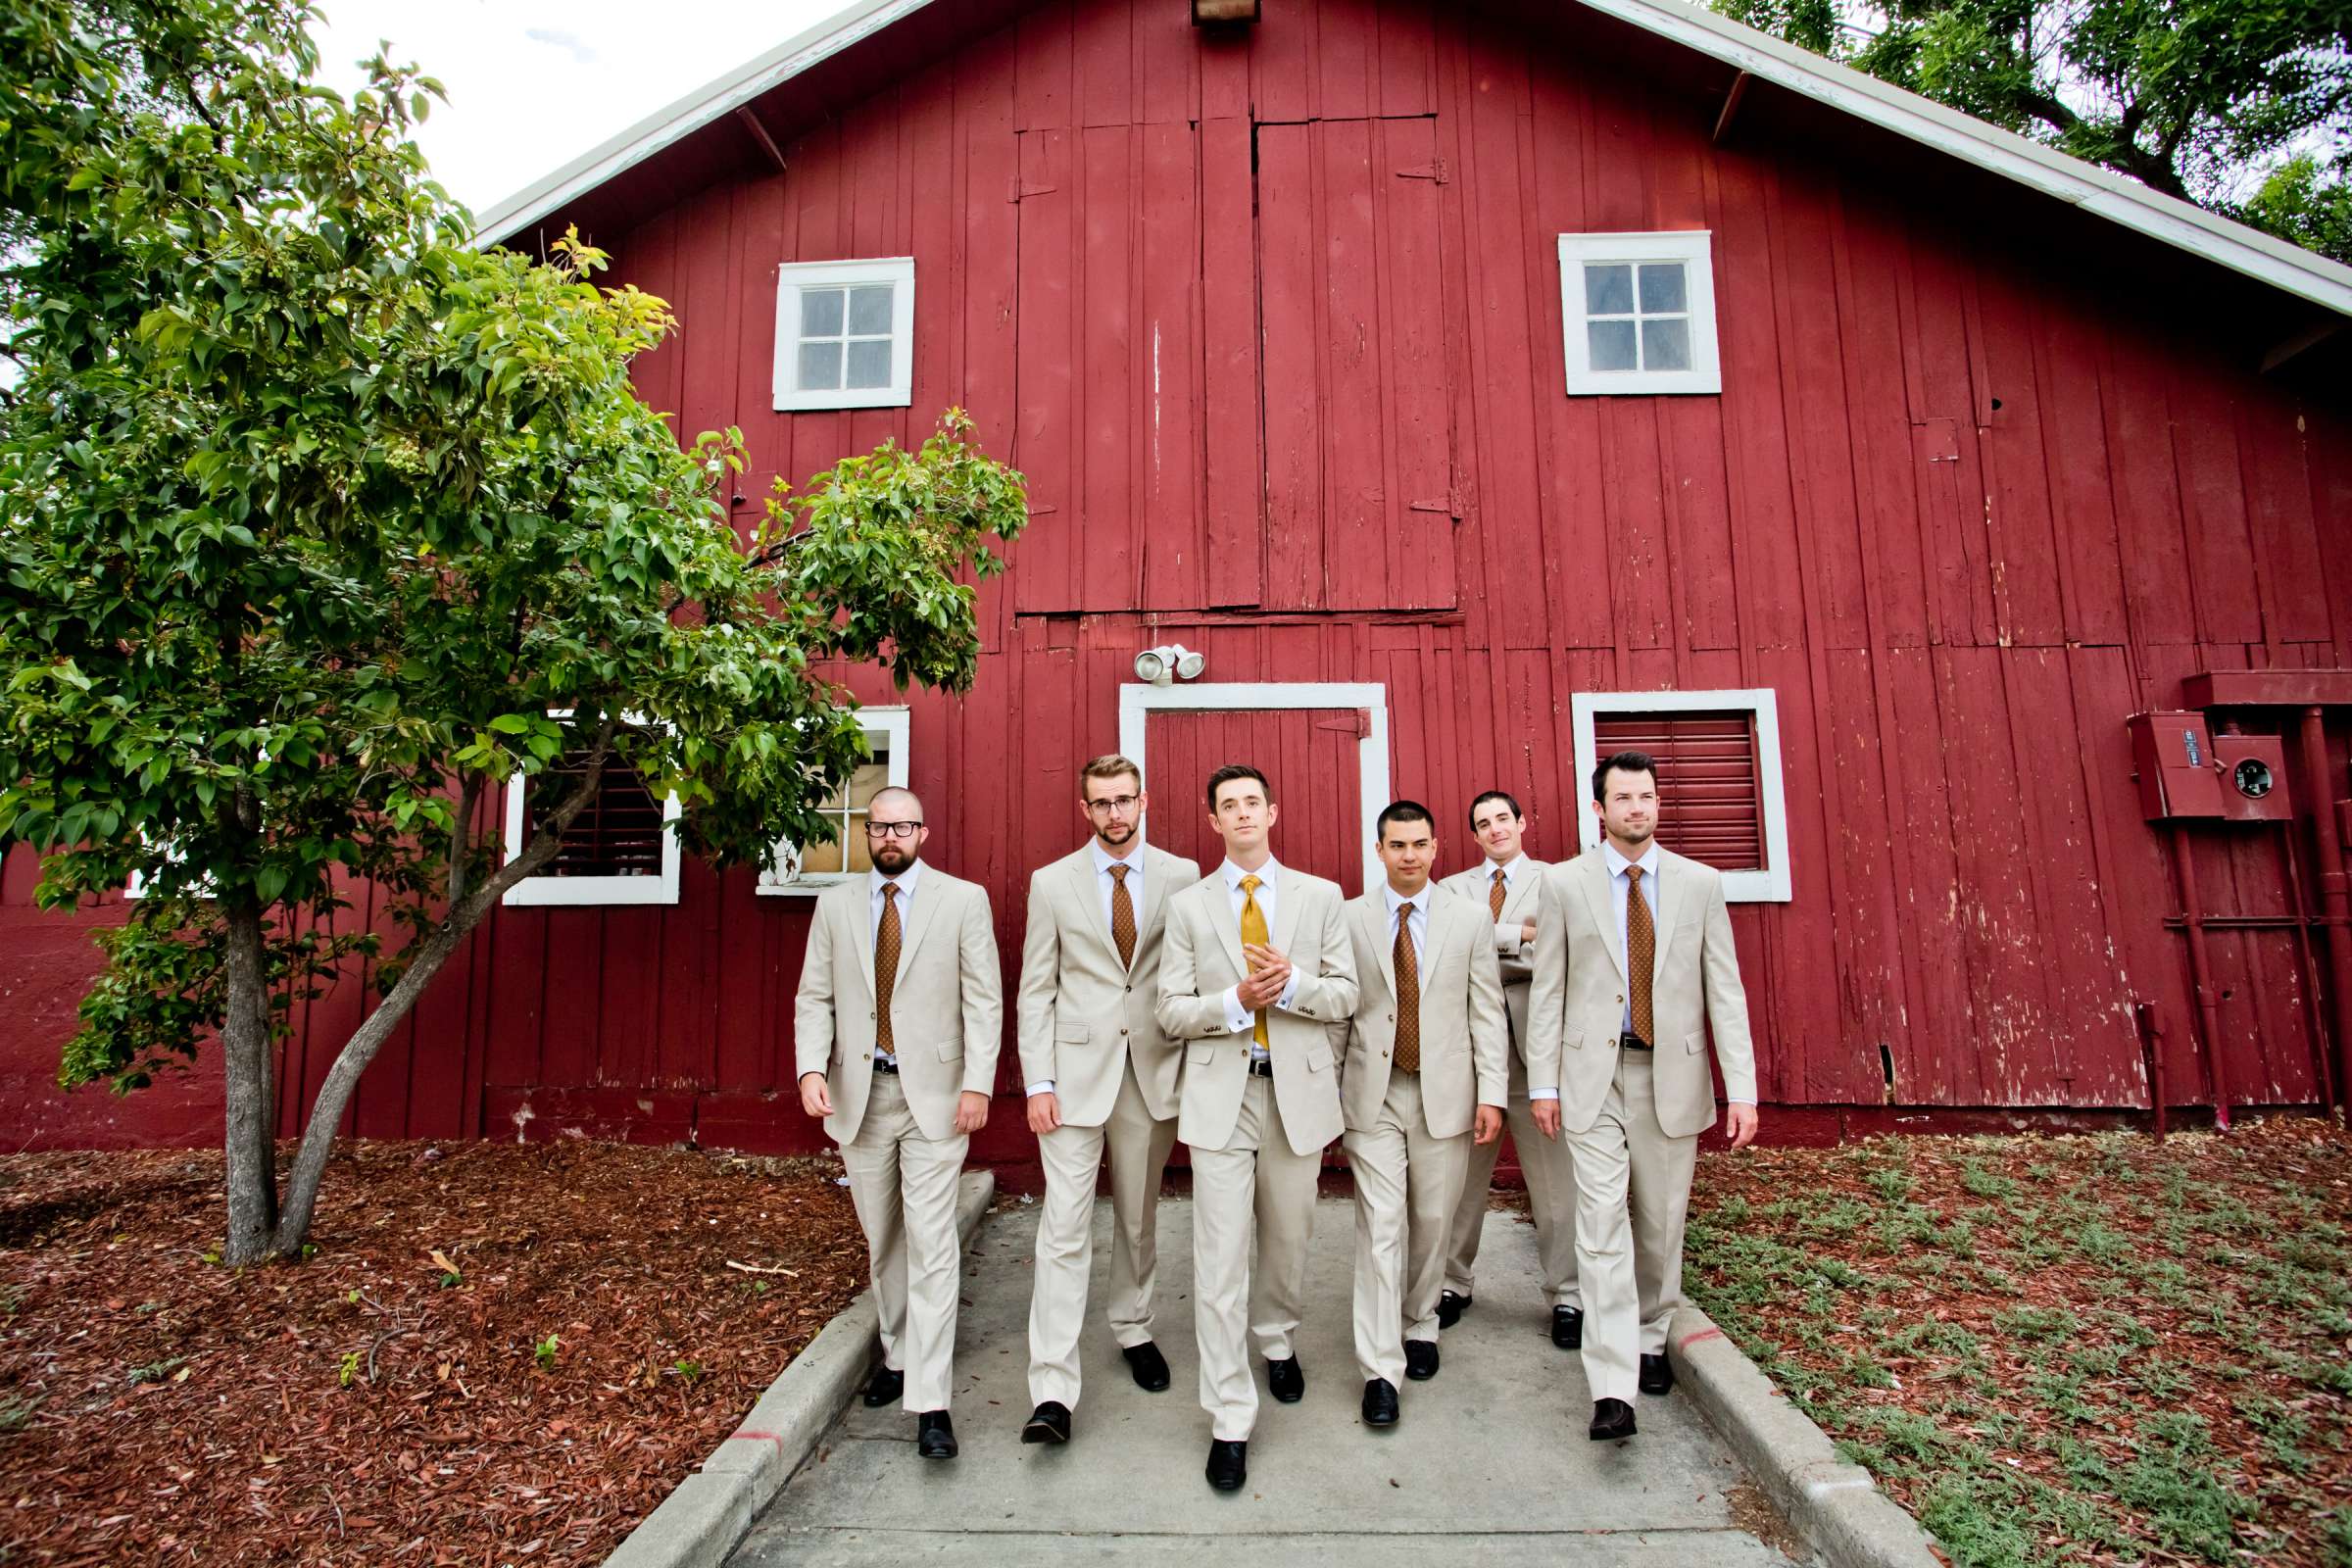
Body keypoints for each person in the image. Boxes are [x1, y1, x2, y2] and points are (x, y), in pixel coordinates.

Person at [1526, 751, 1758, 1443]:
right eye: (1623, 798)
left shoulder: (1700, 884)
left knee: (1660, 1221)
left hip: (1672, 1076)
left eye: (1646, 796)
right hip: (1591, 1078)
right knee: (1601, 1226)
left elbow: (1726, 991)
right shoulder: (1566, 884)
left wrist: (1740, 1087)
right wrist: (1543, 1082)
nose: (1637, 808)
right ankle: (1611, 1385)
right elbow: (1550, 989)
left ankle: (1654, 1333)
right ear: (1598, 809)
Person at [1155, 763, 1356, 1492]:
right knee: (1217, 1252)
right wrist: (1236, 999)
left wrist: (1294, 984)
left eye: (1252, 803)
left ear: (1272, 811)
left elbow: (1346, 995)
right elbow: (1170, 1012)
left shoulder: (1321, 896)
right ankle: (1230, 1415)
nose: (1242, 815)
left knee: (1290, 1237)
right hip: (1221, 1097)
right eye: (1228, 807)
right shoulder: (1187, 907)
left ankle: (1276, 1339)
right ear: (1213, 822)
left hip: (1295, 1095)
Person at [793, 785, 1002, 1460]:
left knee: (933, 1242)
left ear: (924, 831)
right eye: (879, 827)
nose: (891, 837)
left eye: (903, 826)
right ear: (866, 833)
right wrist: (810, 1070)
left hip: (937, 1098)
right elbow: (814, 996)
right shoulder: (835, 905)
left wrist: (977, 1085)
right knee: (884, 1240)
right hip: (862, 1094)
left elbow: (984, 1003)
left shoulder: (962, 901)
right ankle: (900, 1352)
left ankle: (931, 1402)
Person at [1015, 755, 1202, 1445]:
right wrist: (1038, 1082)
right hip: (1070, 1076)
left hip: (1149, 1071)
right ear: (1085, 808)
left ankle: (1133, 1326)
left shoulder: (1182, 876)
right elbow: (1037, 987)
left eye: (1125, 800)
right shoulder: (1052, 882)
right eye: (1102, 803)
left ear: (1144, 801)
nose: (1115, 814)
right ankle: (1053, 1389)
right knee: (1063, 1229)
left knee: (1137, 1217)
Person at [1333, 801, 1506, 1428]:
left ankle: (1421, 1323)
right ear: (1378, 850)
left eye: (1419, 844)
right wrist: (1326, 1092)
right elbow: (1338, 1012)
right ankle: (1381, 1369)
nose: (1408, 855)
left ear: (1436, 849)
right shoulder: (1348, 917)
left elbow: (1486, 1009)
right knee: (1380, 1227)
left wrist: (1492, 1092)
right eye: (1396, 844)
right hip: (1372, 1093)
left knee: (1432, 1220)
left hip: (1446, 1092)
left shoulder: (1468, 919)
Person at [1437, 790, 1583, 1349]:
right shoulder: (1453, 889)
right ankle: (1453, 1282)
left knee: (1553, 1180)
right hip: (1471, 1056)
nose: (1495, 829)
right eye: (1483, 824)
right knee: (1461, 1180)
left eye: (1503, 818)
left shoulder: (1557, 882)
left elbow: (1560, 956)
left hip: (1536, 1055)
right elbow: (1453, 953)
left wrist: (1490, 946)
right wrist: (1519, 935)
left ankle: (1566, 1294)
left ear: (1522, 822)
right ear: (1473, 836)